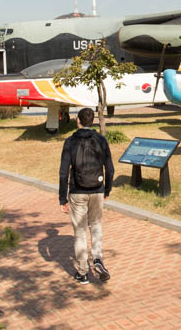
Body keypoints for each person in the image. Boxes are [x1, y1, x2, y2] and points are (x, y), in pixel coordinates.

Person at [59, 107, 114, 284]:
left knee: (80, 231)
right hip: (97, 189)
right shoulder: (101, 140)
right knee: (96, 225)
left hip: (77, 191)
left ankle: (83, 272)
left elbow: (63, 173)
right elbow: (110, 169)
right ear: (93, 121)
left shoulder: (70, 142)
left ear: (78, 121)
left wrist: (63, 198)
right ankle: (97, 258)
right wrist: (107, 190)